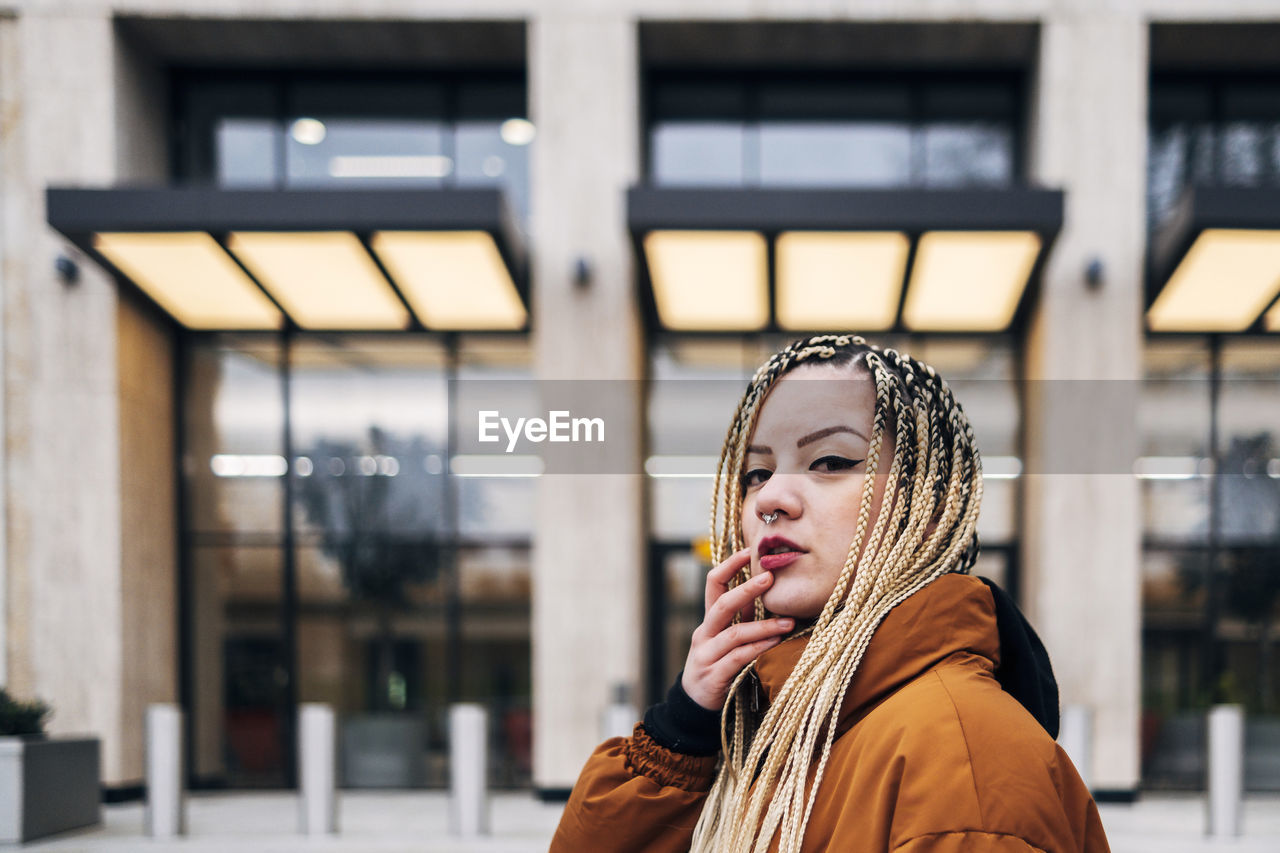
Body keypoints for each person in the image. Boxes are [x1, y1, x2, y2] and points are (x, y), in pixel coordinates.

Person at [550, 334, 1110, 853]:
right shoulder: (769, 725)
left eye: (831, 462)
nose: (772, 497)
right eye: (756, 473)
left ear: (930, 504)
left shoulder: (967, 762)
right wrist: (683, 728)